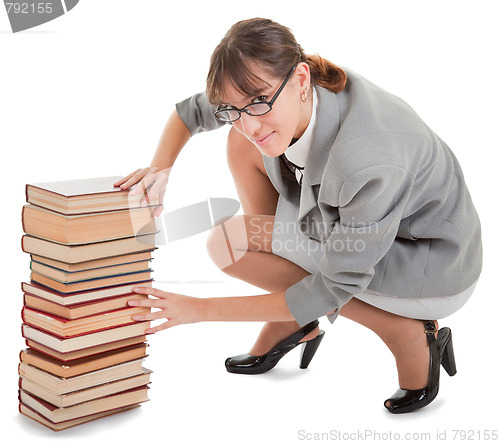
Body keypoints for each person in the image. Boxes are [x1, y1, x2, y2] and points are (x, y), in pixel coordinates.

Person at [115, 17, 482, 414]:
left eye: (258, 102)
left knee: (229, 244)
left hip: (427, 264)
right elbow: (190, 112)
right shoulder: (274, 87)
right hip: (354, 228)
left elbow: (331, 289)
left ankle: (402, 332)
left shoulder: (366, 162)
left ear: (301, 79)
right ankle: (292, 318)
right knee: (243, 151)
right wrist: (160, 169)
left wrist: (200, 310)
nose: (249, 123)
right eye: (232, 109)